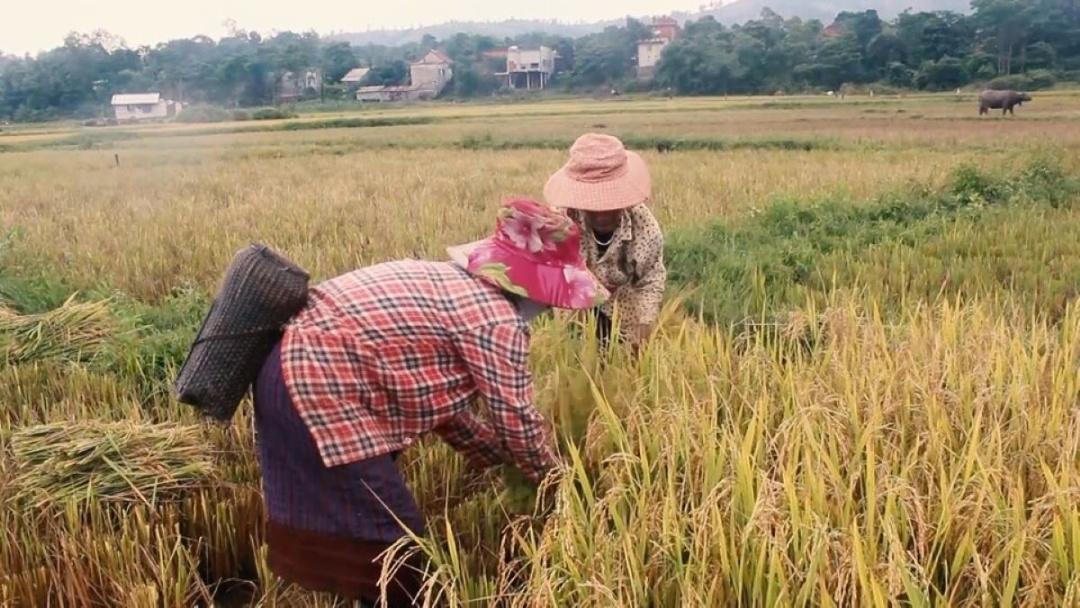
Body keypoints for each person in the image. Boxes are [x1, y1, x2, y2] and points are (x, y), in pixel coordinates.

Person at [252, 198, 607, 606]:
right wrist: (555, 482)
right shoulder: (496, 319)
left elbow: (443, 408)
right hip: (320, 389)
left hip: (280, 376)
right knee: (394, 546)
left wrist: (496, 458)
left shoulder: (454, 286)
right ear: (538, 288)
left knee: (368, 530)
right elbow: (516, 419)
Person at [544, 133, 666, 352]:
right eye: (593, 205)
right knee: (576, 359)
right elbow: (548, 275)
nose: (602, 214)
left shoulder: (644, 226)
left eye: (611, 204)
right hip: (573, 307)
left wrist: (644, 326)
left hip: (623, 307)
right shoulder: (560, 223)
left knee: (624, 361)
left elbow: (650, 279)